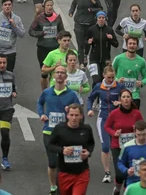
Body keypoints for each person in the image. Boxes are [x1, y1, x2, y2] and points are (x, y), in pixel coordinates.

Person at [37, 66, 81, 194]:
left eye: (62, 73)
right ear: (53, 76)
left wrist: (71, 111)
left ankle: (61, 188)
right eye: (58, 73)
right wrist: (41, 114)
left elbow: (79, 110)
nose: (60, 75)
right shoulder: (47, 92)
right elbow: (39, 103)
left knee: (63, 163)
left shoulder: (72, 95)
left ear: (66, 77)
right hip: (49, 131)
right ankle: (53, 187)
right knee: (52, 162)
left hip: (65, 133)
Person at [47, 104, 95, 195]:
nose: (74, 118)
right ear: (67, 115)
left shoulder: (86, 129)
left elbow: (91, 144)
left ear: (81, 116)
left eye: (76, 115)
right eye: (71, 115)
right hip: (64, 173)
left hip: (82, 172)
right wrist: (62, 150)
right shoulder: (60, 129)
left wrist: (88, 153)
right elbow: (50, 145)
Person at [87, 65, 124, 183]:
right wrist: (90, 109)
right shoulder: (99, 86)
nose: (111, 80)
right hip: (103, 119)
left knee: (119, 146)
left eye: (112, 77)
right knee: (105, 146)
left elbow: (129, 99)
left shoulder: (119, 86)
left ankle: (122, 170)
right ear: (103, 75)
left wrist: (121, 102)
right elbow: (90, 98)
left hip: (117, 120)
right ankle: (107, 172)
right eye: (108, 77)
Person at [104, 88, 144, 194]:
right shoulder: (114, 113)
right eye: (124, 97)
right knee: (120, 173)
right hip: (118, 146)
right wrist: (114, 133)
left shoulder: (136, 113)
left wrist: (137, 130)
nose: (126, 99)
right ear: (120, 100)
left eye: (128, 97)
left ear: (131, 99)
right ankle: (117, 188)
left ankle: (127, 191)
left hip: (133, 147)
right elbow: (107, 127)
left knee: (130, 172)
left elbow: (143, 126)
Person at [29, 0, 66, 90]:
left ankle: (53, 91)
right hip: (43, 48)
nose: (50, 7)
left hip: (55, 48)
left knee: (55, 72)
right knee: (44, 73)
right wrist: (40, 34)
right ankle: (45, 92)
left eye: (51, 5)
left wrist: (59, 37)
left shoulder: (57, 17)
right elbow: (31, 31)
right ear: (44, 7)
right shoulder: (39, 18)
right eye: (48, 5)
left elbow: (62, 31)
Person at [117, 120, 146, 187]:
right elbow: (120, 162)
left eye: (144, 134)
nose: (141, 137)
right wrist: (126, 170)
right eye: (139, 135)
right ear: (134, 132)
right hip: (132, 183)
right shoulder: (127, 146)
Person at [69, 0, 103, 66]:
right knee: (80, 44)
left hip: (90, 24)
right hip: (79, 23)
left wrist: (92, 10)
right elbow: (73, 4)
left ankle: (85, 55)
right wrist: (71, 11)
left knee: (87, 43)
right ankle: (81, 63)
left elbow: (100, 8)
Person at [113, 37, 146, 109]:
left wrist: (141, 83)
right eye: (130, 43)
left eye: (134, 44)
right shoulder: (118, 58)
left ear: (137, 46)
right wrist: (117, 80)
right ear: (126, 45)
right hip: (120, 94)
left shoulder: (141, 61)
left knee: (134, 119)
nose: (132, 46)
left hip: (134, 95)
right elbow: (110, 74)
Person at [86, 11, 119, 86]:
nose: (101, 19)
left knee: (104, 80)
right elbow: (85, 42)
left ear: (105, 19)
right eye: (99, 18)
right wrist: (89, 42)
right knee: (96, 79)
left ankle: (102, 96)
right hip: (94, 59)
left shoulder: (109, 30)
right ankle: (95, 95)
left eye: (103, 18)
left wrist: (110, 39)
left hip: (106, 60)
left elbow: (116, 44)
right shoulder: (91, 29)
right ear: (96, 19)